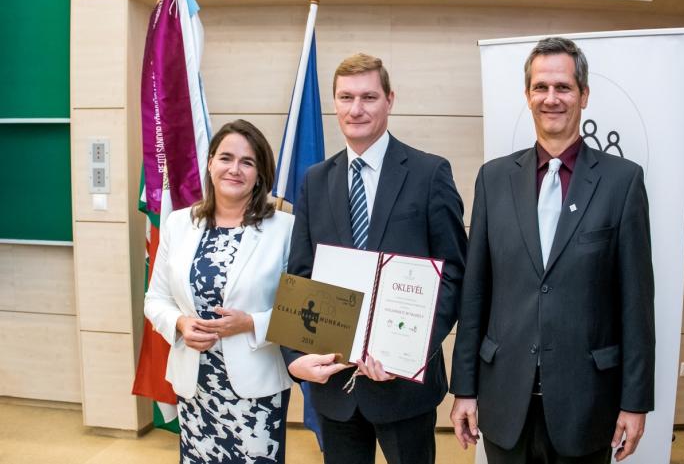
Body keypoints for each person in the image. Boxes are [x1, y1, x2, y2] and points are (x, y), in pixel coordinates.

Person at [450, 37, 655, 463]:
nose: (551, 98)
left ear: (584, 95)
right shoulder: (493, 179)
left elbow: (636, 303)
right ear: (527, 95)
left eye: (563, 87)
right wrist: (464, 389)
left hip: (587, 404)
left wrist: (635, 402)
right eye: (540, 87)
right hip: (504, 398)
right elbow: (475, 294)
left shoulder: (622, 182)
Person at [282, 53, 467, 464]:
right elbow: (301, 275)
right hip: (335, 386)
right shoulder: (315, 180)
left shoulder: (429, 173)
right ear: (334, 103)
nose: (356, 109)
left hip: (404, 387)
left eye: (368, 97)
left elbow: (454, 273)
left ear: (389, 100)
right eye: (346, 97)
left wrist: (409, 349)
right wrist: (295, 357)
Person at [144, 119, 294, 464]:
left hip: (256, 390)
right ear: (210, 163)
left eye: (247, 162)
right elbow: (155, 299)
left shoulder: (285, 228)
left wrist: (250, 323)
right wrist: (181, 323)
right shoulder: (179, 223)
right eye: (226, 158)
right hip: (195, 386)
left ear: (261, 173)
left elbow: (300, 313)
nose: (234, 169)